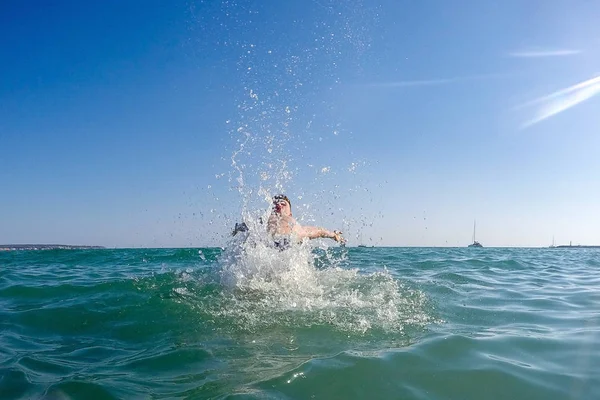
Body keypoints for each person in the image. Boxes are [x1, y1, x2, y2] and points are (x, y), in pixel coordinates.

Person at [267, 194, 345, 248]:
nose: (279, 205)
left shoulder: (296, 227)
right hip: (266, 245)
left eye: (283, 203)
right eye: (275, 204)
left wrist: (333, 235)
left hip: (290, 242)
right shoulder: (262, 225)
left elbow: (319, 231)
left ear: (290, 214)